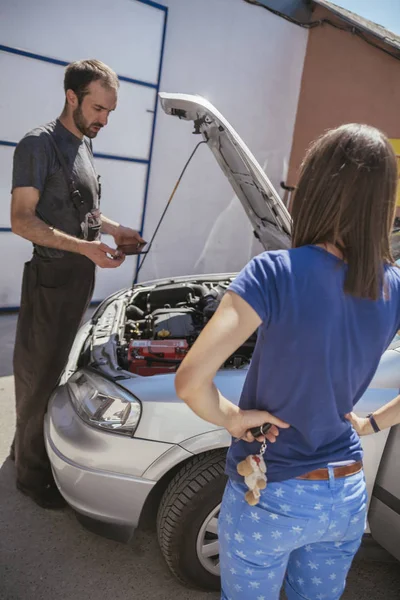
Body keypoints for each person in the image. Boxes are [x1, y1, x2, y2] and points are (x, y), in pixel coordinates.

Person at [174, 123, 400, 600]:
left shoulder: (275, 272)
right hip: (345, 497)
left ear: (316, 187)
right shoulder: (393, 286)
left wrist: (234, 419)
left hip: (273, 492)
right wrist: (372, 425)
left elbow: (191, 381)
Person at [10, 59, 146, 510]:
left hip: (76, 278)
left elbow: (78, 210)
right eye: (98, 108)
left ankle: (23, 452)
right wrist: (86, 248)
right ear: (72, 97)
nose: (104, 119)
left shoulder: (83, 144)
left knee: (53, 373)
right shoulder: (38, 145)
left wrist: (113, 229)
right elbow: (21, 220)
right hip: (51, 278)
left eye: (109, 111)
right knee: (39, 375)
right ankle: (30, 477)